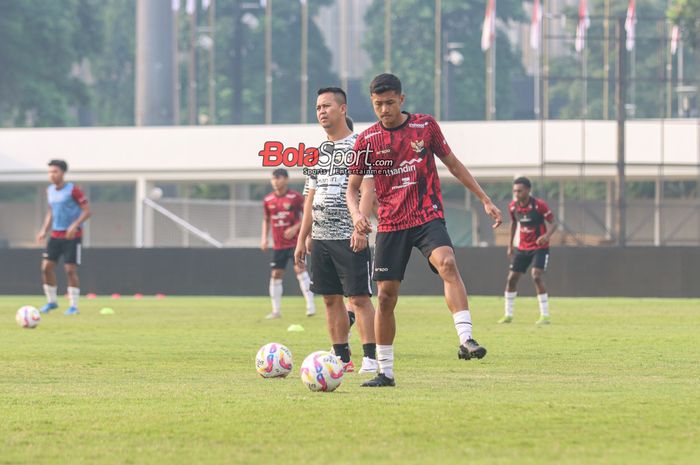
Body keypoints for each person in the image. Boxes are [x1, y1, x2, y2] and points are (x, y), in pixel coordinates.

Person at [346, 73, 503, 387]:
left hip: (426, 216)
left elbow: (454, 164)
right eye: (378, 104)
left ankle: (466, 338)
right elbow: (355, 189)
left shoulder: (425, 126)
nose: (384, 109)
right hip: (391, 224)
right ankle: (385, 372)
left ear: (401, 100)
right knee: (387, 298)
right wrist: (357, 219)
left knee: (447, 262)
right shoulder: (367, 141)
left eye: (390, 102)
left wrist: (484, 199)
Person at [295, 87, 378, 374]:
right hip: (320, 238)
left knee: (358, 298)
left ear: (342, 109)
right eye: (318, 107)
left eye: (327, 106)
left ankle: (371, 358)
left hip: (349, 235)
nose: (321, 112)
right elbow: (310, 197)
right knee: (330, 298)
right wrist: (302, 237)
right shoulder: (315, 153)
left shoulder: (361, 145)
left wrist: (361, 227)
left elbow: (368, 189)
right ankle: (342, 359)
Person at [36, 159, 91, 315]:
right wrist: (43, 230)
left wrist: (74, 225)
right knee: (46, 268)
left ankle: (74, 306)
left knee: (70, 270)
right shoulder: (50, 191)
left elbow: (87, 211)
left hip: (72, 236)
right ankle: (52, 302)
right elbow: (51, 212)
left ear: (63, 173)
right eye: (49, 172)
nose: (52, 175)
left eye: (55, 172)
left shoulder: (73, 190)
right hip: (55, 234)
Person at [500, 177, 556, 325]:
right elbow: (513, 223)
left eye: (519, 191)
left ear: (528, 190)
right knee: (511, 278)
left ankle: (545, 315)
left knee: (536, 276)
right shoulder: (513, 207)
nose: (516, 193)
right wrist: (510, 245)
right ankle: (508, 315)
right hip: (522, 247)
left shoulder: (539, 205)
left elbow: (553, 222)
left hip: (539, 248)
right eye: (514, 191)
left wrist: (546, 236)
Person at [261, 169, 315, 319]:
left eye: (278, 178)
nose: (275, 181)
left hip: (295, 243)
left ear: (285, 179)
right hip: (279, 245)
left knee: (300, 270)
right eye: (273, 179)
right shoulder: (268, 200)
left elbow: (307, 214)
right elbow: (266, 219)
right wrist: (264, 238)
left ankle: (310, 306)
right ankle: (276, 310)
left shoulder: (295, 197)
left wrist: (295, 228)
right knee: (276, 274)